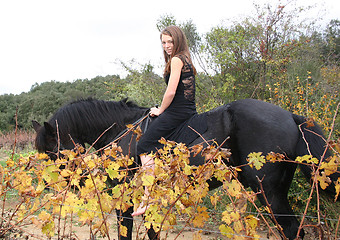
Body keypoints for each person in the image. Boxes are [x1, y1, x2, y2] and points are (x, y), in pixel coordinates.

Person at [131, 25, 197, 216]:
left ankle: (147, 197)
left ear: (178, 40)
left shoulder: (176, 59)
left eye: (170, 41)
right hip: (187, 109)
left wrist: (160, 110)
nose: (167, 46)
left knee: (143, 145)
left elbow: (171, 91)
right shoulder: (186, 57)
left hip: (177, 111)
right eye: (164, 42)